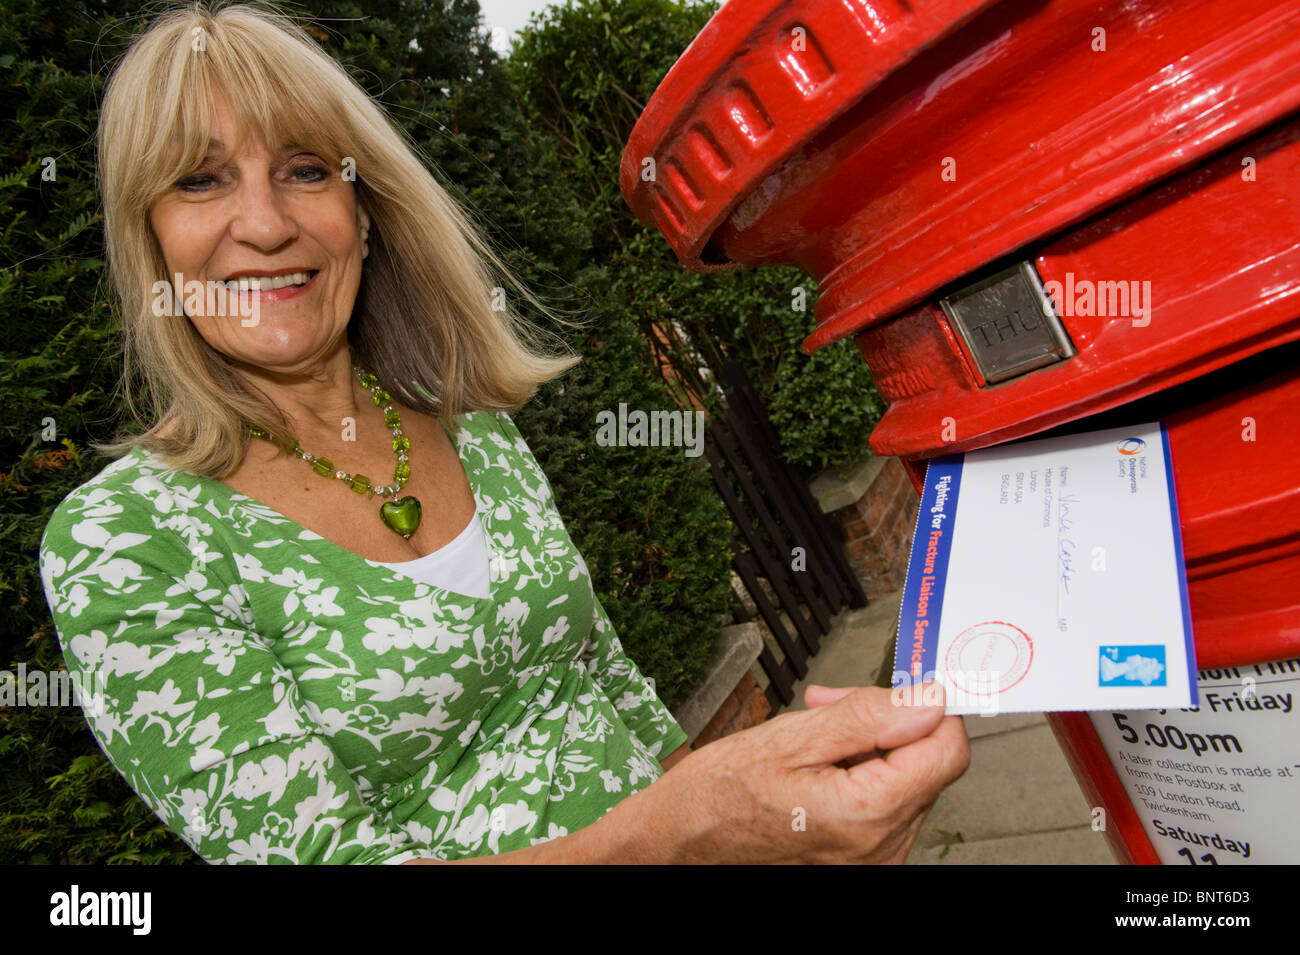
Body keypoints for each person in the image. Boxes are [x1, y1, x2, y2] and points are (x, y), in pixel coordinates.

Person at [37, 1, 970, 864]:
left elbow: (609, 685)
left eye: (306, 170)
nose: (266, 223)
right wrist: (682, 830)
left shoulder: (468, 424)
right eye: (200, 180)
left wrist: (777, 810)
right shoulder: (126, 542)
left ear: (364, 215)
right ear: (148, 237)